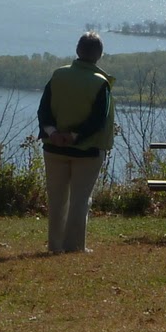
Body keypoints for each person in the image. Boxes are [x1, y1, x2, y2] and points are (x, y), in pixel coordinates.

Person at [37, 31, 115, 254]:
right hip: (87, 151)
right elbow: (98, 120)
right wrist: (73, 136)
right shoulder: (101, 83)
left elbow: (44, 109)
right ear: (99, 55)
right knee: (80, 200)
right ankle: (74, 246)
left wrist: (53, 133)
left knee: (56, 198)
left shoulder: (58, 75)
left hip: (53, 147)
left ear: (77, 50)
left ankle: (55, 245)